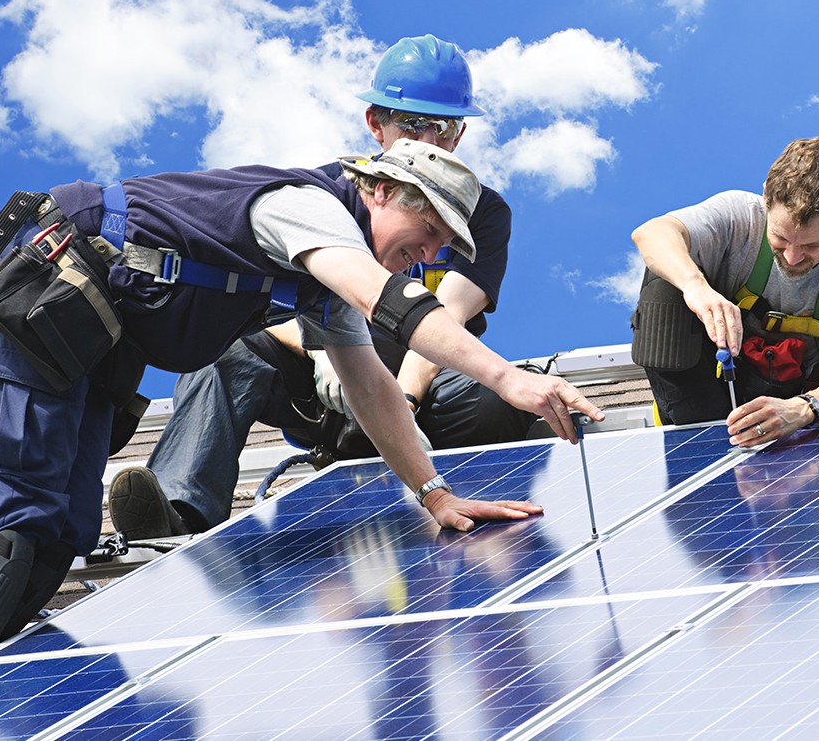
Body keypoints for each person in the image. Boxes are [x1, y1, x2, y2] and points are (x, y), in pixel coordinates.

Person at [0, 138, 604, 663]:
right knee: (20, 524)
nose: (422, 256)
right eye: (424, 233)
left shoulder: (322, 282)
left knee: (65, 533)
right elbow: (385, 299)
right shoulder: (306, 208)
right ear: (379, 187)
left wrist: (434, 494)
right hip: (46, 296)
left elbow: (369, 384)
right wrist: (509, 379)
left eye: (435, 251)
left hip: (92, 340)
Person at [109, 34, 534, 540]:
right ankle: (179, 513)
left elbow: (446, 316)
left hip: (420, 386)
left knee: (497, 397)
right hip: (326, 384)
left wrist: (405, 398)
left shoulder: (477, 214)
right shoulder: (330, 195)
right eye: (412, 124)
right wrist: (321, 353)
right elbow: (279, 298)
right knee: (226, 352)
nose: (429, 140)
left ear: (459, 134)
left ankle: (466, 497)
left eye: (442, 127)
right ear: (376, 125)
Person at [630, 137, 819, 447]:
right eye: (781, 238)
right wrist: (696, 287)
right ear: (765, 200)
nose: (792, 258)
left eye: (812, 245)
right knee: (664, 281)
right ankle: (698, 439)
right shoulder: (738, 217)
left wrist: (803, 409)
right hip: (702, 397)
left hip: (794, 407)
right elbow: (651, 233)